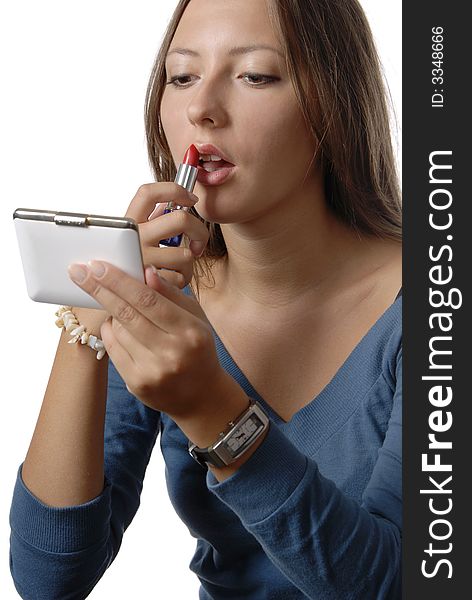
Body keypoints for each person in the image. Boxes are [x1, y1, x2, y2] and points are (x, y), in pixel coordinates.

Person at [9, 0, 402, 598]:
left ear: (335, 105)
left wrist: (213, 410)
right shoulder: (166, 298)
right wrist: (88, 322)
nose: (200, 110)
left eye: (255, 76)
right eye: (182, 76)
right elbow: (47, 579)